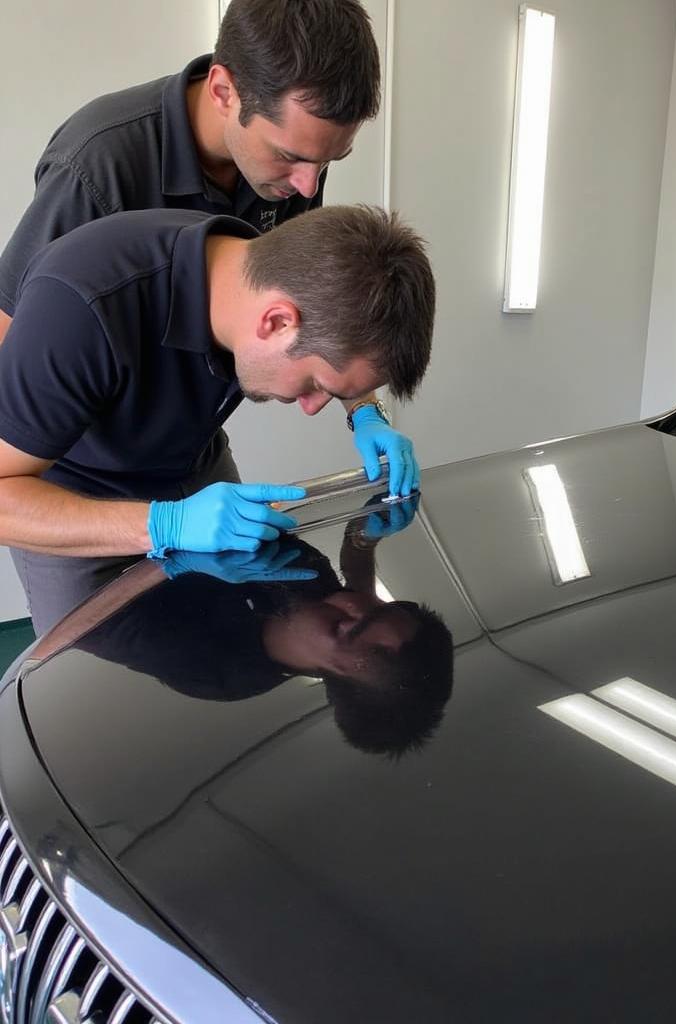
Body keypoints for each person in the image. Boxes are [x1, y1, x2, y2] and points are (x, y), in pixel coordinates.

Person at [0, 0, 416, 487]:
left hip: (194, 454)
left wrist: (362, 409)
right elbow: (9, 334)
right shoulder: (97, 165)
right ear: (224, 91)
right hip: (74, 473)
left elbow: (325, 307)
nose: (308, 186)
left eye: (327, 162)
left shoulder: (294, 174)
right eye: (291, 156)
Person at [0, 203, 435, 636]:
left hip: (192, 459)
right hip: (63, 492)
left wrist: (364, 412)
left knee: (229, 615)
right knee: (85, 665)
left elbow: (345, 340)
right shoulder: (80, 309)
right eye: (316, 384)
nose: (311, 405)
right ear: (277, 322)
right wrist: (164, 524)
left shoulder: (257, 268)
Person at [29, 498, 455, 757]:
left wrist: (175, 550)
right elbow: (353, 581)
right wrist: (365, 533)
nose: (346, 601)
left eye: (345, 628)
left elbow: (87, 624)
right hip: (155, 498)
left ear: (331, 678)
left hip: (88, 571)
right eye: (375, 607)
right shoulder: (311, 582)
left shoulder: (215, 668)